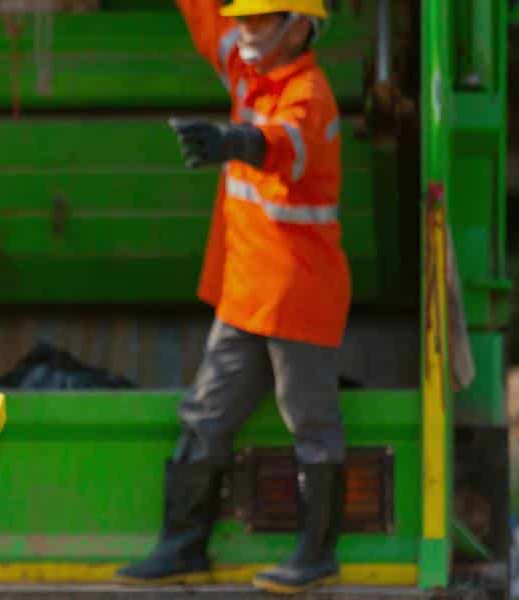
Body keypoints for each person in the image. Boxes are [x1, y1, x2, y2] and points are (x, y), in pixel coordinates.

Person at [115, 0, 350, 594]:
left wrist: (231, 141)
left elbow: (284, 146)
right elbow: (208, 21)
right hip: (247, 293)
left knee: (312, 424)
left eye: (257, 20)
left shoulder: (310, 95)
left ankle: (316, 556)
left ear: (299, 26)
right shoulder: (250, 69)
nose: (242, 31)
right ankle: (182, 548)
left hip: (297, 294)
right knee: (206, 415)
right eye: (241, 18)